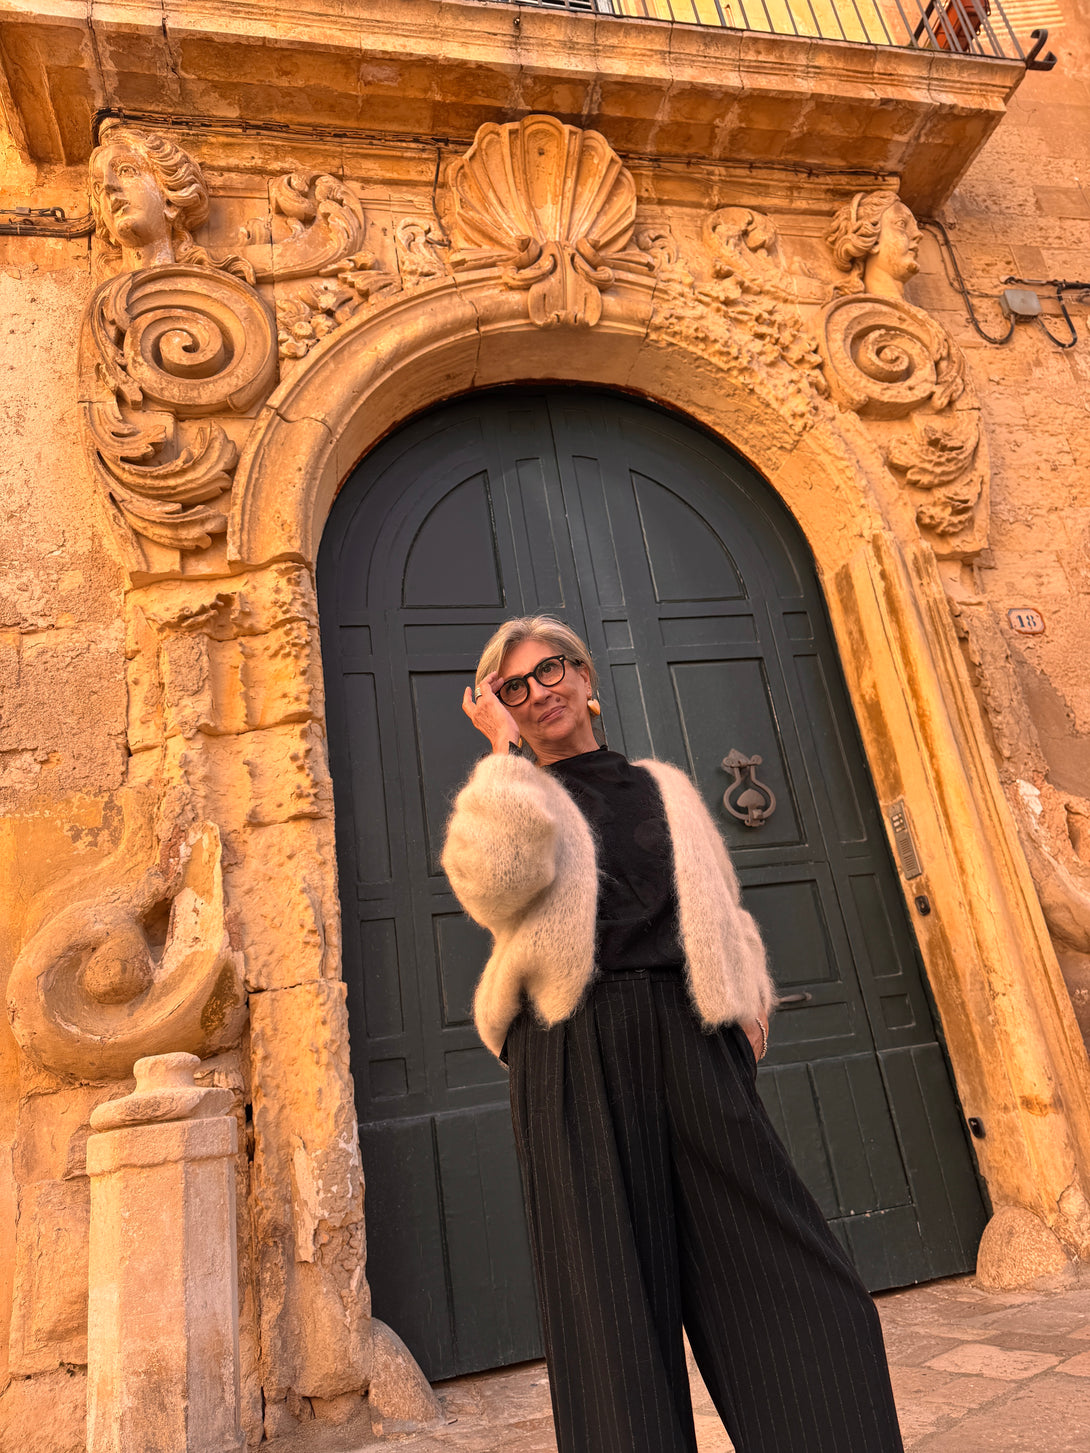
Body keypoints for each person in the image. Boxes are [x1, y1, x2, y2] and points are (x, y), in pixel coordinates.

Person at [441, 615, 905, 1453]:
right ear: (499, 705)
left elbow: (718, 900)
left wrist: (749, 1000)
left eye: (551, 669)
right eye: (515, 686)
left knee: (802, 1287)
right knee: (609, 1315)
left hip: (691, 1040)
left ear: (586, 678)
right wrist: (503, 756)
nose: (539, 691)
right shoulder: (512, 794)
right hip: (572, 1053)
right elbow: (494, 885)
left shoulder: (663, 785)